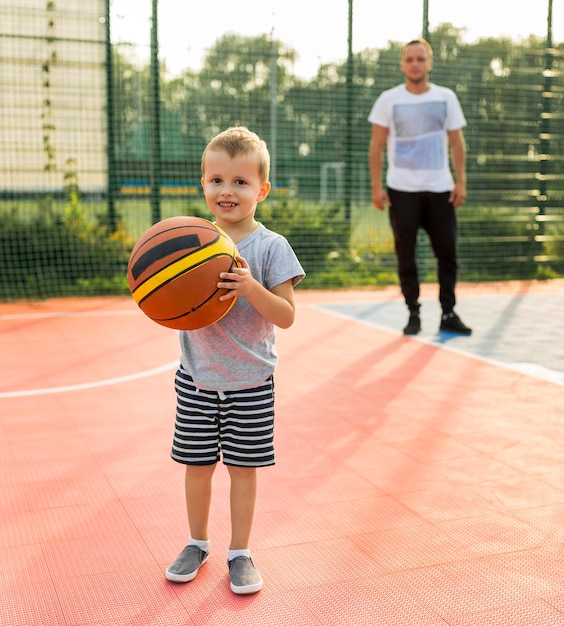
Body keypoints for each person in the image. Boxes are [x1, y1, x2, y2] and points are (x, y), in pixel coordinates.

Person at [165, 126, 305, 594]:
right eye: (217, 180)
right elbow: (166, 298)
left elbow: (285, 316)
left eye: (241, 182)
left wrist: (250, 287)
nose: (228, 190)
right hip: (197, 379)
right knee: (197, 467)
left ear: (261, 189)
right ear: (202, 184)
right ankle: (196, 542)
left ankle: (239, 551)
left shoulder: (271, 248)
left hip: (250, 383)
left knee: (243, 471)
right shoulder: (189, 243)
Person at [368, 38, 472, 336]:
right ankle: (413, 313)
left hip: (441, 190)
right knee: (406, 255)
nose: (415, 63)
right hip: (401, 191)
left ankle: (448, 312)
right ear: (403, 64)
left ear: (430, 62)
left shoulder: (446, 97)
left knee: (448, 253)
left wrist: (461, 181)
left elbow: (456, 142)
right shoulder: (389, 99)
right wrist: (377, 187)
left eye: (421, 59)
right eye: (410, 59)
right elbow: (376, 146)